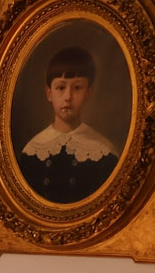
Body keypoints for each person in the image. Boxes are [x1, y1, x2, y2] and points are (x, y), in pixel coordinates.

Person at [17, 45, 118, 204]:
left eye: (77, 88)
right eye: (61, 88)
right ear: (49, 93)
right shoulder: (32, 152)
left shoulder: (103, 153)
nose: (68, 97)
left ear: (88, 92)